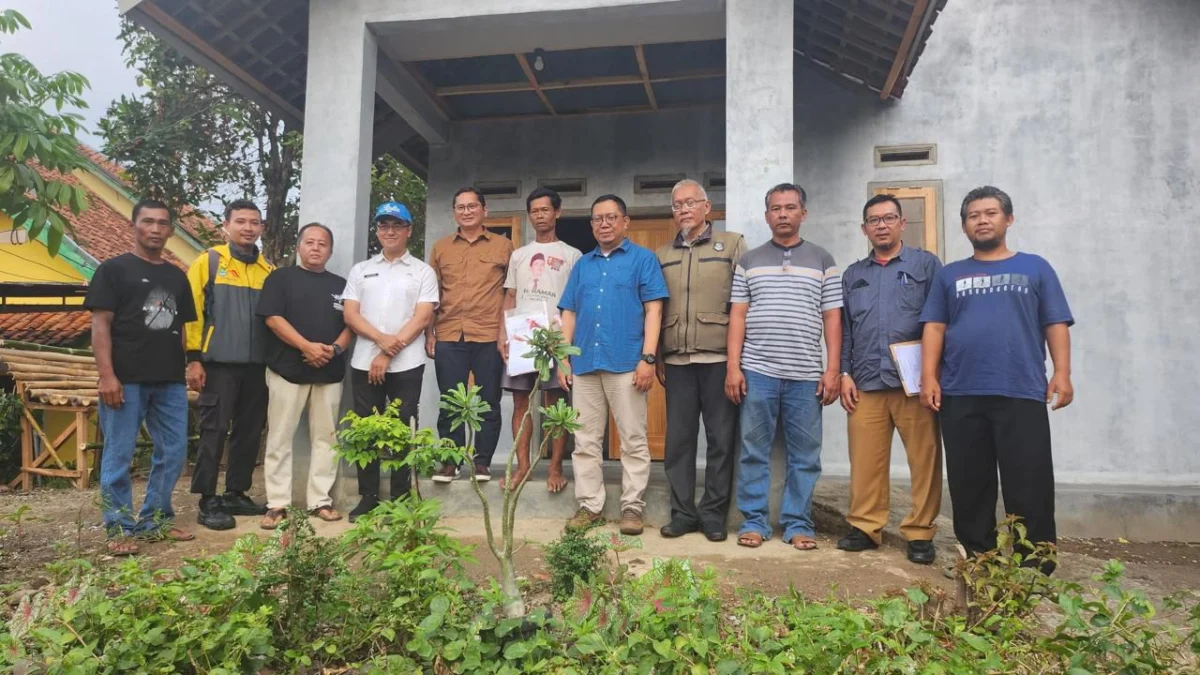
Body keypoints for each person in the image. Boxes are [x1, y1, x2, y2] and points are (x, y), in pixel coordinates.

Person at [920, 186, 1074, 571]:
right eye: (974, 215)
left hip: (1020, 390)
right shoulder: (949, 275)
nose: (982, 220)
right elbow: (935, 328)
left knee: (1030, 481)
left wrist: (1063, 372)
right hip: (960, 392)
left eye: (990, 213)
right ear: (964, 225)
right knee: (970, 483)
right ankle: (978, 558)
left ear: (1008, 219)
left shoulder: (1035, 267)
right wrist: (928, 377)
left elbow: (1054, 322)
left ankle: (1035, 561)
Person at [727, 183, 842, 551]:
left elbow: (833, 319)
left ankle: (797, 523)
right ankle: (754, 521)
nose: (782, 214)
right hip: (757, 371)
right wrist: (734, 367)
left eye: (790, 207)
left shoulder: (823, 260)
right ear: (767, 215)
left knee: (805, 455)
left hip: (806, 374)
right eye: (775, 208)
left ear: (802, 213)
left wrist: (832, 369)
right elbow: (738, 317)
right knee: (753, 450)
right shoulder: (749, 261)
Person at [86, 199, 198, 555]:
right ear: (133, 225)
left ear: (171, 231)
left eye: (162, 223)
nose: (154, 229)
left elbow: (180, 329)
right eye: (147, 221)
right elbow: (100, 325)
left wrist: (187, 365)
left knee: (174, 451)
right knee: (119, 453)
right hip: (125, 379)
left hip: (169, 380)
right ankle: (119, 527)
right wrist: (107, 376)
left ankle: (155, 520)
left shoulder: (176, 276)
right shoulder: (113, 271)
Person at [837, 194, 943, 564]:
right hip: (866, 381)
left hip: (914, 384)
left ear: (902, 223)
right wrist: (844, 373)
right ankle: (866, 526)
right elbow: (846, 329)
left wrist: (931, 375)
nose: (881, 225)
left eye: (888, 218)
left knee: (924, 459)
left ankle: (920, 532)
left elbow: (938, 322)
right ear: (864, 228)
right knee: (865, 461)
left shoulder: (926, 265)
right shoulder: (853, 275)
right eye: (873, 220)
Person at [558, 194, 668, 535]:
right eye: (597, 219)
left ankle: (632, 507)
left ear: (625, 221)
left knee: (634, 439)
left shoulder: (643, 260)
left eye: (611, 217)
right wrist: (564, 358)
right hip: (585, 363)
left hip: (627, 363)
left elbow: (654, 310)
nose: (603, 224)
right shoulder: (583, 265)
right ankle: (590, 505)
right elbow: (569, 312)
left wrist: (648, 358)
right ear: (591, 225)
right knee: (585, 440)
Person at [655, 179, 746, 541]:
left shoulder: (732, 245)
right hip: (676, 359)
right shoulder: (661, 254)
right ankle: (682, 513)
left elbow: (744, 303)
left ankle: (713, 515)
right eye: (677, 205)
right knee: (678, 440)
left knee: (721, 439)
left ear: (707, 207)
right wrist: (658, 354)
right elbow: (655, 308)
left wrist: (739, 361)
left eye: (691, 203)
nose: (684, 210)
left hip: (720, 357)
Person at [342, 202, 439, 520]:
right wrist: (380, 342)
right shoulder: (361, 270)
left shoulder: (422, 271)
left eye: (397, 225)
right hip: (362, 363)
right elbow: (351, 314)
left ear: (409, 230)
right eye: (384, 225)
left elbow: (422, 317)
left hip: (406, 363)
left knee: (401, 430)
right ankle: (368, 496)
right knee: (367, 431)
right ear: (378, 231)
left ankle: (400, 497)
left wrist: (386, 352)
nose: (390, 231)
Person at [255, 223, 353, 529]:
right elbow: (272, 319)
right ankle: (277, 503)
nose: (315, 248)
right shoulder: (280, 279)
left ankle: (320, 500)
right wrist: (306, 347)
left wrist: (334, 349)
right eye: (309, 242)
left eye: (322, 244)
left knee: (326, 438)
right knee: (280, 437)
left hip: (330, 372)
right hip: (287, 370)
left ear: (330, 250)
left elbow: (352, 322)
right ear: (298, 247)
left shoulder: (341, 284)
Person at [186, 199, 275, 530]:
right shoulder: (208, 263)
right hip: (217, 364)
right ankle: (207, 498)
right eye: (241, 221)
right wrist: (193, 358)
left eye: (254, 222)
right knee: (214, 430)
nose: (248, 228)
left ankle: (236, 491)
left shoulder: (269, 271)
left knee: (250, 431)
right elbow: (191, 311)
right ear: (226, 225)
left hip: (257, 367)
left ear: (262, 228)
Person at [427, 187, 514, 483]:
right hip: (449, 333)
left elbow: (509, 293)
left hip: (489, 334)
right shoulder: (440, 248)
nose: (466, 211)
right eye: (460, 207)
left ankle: (482, 462)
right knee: (450, 400)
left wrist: (506, 333)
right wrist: (430, 334)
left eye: (472, 206)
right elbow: (433, 295)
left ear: (484, 211)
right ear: (454, 212)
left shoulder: (504, 246)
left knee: (489, 400)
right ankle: (450, 462)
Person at [498, 187, 582, 492]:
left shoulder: (572, 255)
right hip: (522, 335)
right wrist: (502, 333)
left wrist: (568, 347)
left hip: (556, 337)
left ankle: (556, 466)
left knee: (555, 404)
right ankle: (523, 466)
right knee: (521, 403)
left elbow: (576, 303)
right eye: (534, 211)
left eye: (545, 210)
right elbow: (509, 297)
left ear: (557, 213)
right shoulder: (519, 256)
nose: (540, 216)